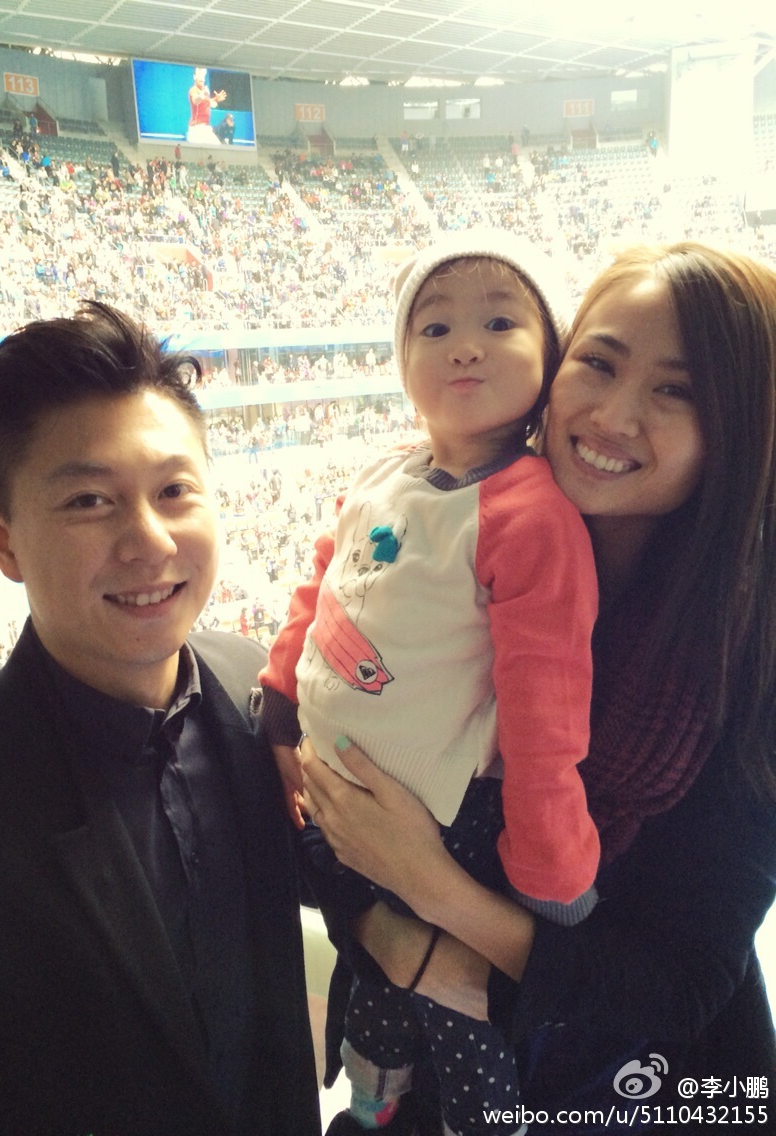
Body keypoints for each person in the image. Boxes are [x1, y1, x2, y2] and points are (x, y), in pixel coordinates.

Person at [300, 242, 776, 1133]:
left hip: (649, 1091)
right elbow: (327, 789)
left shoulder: (747, 661)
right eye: (598, 363)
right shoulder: (447, 552)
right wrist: (383, 926)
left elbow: (678, 986)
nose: (614, 416)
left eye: (676, 392)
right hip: (431, 1076)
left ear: (740, 430)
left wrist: (434, 903)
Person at [0, 302, 319, 1136]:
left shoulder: (256, 691)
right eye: (89, 501)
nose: (149, 542)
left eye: (174, 490)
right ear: (2, 540)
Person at [259, 230, 601, 1136]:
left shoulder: (532, 513)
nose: (465, 347)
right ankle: (374, 1097)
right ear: (402, 360)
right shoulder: (385, 472)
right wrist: (280, 697)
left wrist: (551, 862)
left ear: (552, 356)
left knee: (453, 1000)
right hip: (341, 793)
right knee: (375, 971)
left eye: (500, 323)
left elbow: (545, 705)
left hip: (447, 815)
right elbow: (326, 583)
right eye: (435, 327)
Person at [187, 67, 227, 145]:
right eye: (199, 75)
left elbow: (208, 103)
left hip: (205, 128)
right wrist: (202, 95)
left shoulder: (204, 91)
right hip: (196, 129)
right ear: (194, 76)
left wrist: (216, 99)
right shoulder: (193, 90)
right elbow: (195, 100)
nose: (201, 78)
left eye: (203, 75)